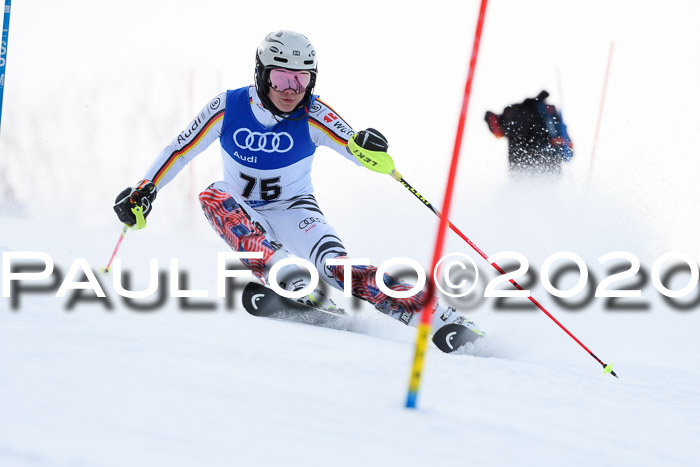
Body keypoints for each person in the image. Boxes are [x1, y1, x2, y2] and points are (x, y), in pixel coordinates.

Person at [113, 30, 484, 352]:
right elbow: (180, 150)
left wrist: (369, 147)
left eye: (301, 79)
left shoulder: (314, 113)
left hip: (295, 210)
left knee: (338, 269)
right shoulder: (228, 106)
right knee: (214, 195)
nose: (291, 89)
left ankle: (437, 314)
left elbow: (354, 145)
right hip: (244, 208)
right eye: (280, 77)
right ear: (260, 74)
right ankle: (290, 277)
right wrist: (146, 189)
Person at [485, 90, 573, 177]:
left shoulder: (513, 122)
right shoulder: (521, 111)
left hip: (539, 171)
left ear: (496, 124)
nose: (501, 136)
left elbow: (517, 153)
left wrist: (516, 176)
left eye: (498, 135)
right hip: (550, 169)